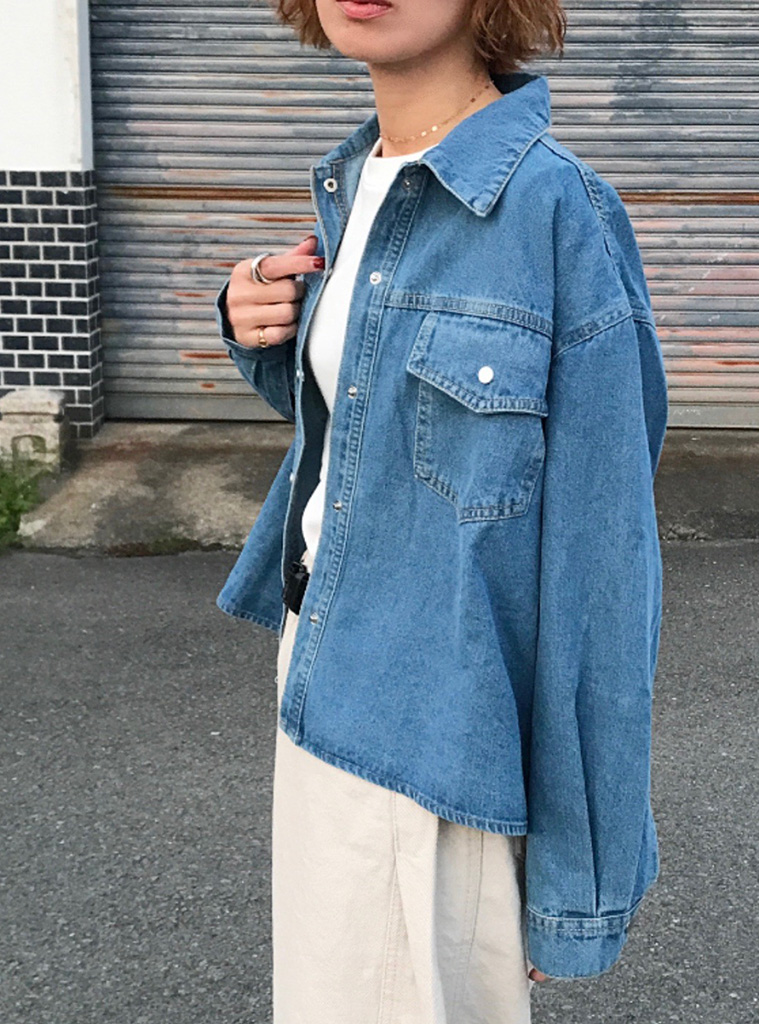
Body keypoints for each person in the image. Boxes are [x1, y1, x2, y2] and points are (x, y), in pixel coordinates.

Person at [215, 0, 669, 1020]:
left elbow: (602, 578)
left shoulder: (557, 212)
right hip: (315, 678)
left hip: (440, 742)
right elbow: (391, 430)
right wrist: (261, 330)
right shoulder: (360, 179)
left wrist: (577, 875)